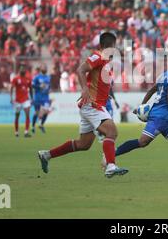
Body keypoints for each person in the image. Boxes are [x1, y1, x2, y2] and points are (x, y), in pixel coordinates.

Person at [38, 33, 129, 178]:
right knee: (111, 132)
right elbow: (81, 70)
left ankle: (47, 155)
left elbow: (98, 82)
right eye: (111, 47)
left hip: (94, 104)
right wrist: (85, 89)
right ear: (104, 47)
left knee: (83, 144)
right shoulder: (98, 57)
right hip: (92, 104)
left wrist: (106, 94)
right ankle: (110, 165)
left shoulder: (106, 62)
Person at [10, 65, 33, 138]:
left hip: (26, 100)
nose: (23, 70)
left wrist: (32, 98)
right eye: (21, 69)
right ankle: (16, 132)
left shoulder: (28, 79)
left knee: (27, 114)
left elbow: (31, 88)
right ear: (19, 70)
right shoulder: (16, 78)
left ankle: (26, 132)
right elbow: (12, 88)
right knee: (17, 116)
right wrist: (11, 98)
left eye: (24, 69)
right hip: (18, 101)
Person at [32, 64, 51, 133]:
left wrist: (49, 89)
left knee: (46, 111)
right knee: (36, 113)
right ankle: (33, 126)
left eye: (46, 67)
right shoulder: (37, 77)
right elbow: (33, 85)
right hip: (37, 97)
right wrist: (39, 86)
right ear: (41, 69)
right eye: (44, 67)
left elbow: (49, 86)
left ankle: (41, 124)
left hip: (45, 97)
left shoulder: (48, 77)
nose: (45, 68)